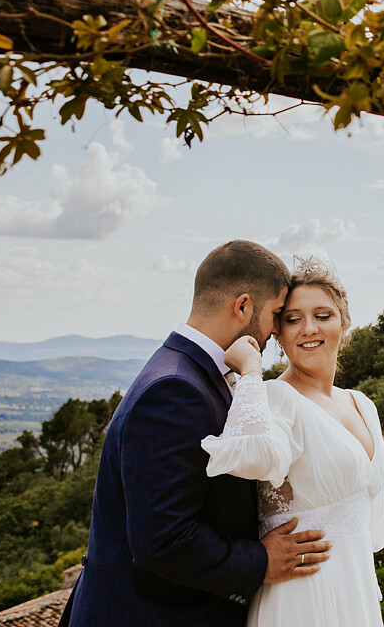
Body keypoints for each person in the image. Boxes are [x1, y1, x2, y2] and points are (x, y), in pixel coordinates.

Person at [62, 240, 332, 627]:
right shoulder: (174, 390)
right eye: (276, 313)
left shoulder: (190, 373)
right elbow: (163, 541)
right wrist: (261, 562)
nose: (275, 329)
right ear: (242, 307)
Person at [202, 256, 384, 627]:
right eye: (293, 319)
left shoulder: (361, 403)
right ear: (278, 332)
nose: (309, 328)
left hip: (355, 586)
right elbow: (250, 455)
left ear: (344, 322)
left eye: (323, 315)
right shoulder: (276, 397)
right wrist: (251, 371)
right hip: (302, 594)